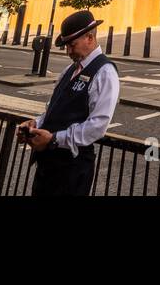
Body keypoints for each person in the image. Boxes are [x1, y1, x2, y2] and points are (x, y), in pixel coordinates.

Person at [19, 10, 119, 196]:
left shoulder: (105, 72)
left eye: (72, 45)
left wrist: (55, 139)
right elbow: (56, 109)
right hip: (48, 166)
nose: (69, 51)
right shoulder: (69, 70)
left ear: (90, 37)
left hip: (72, 169)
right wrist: (36, 123)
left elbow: (97, 126)